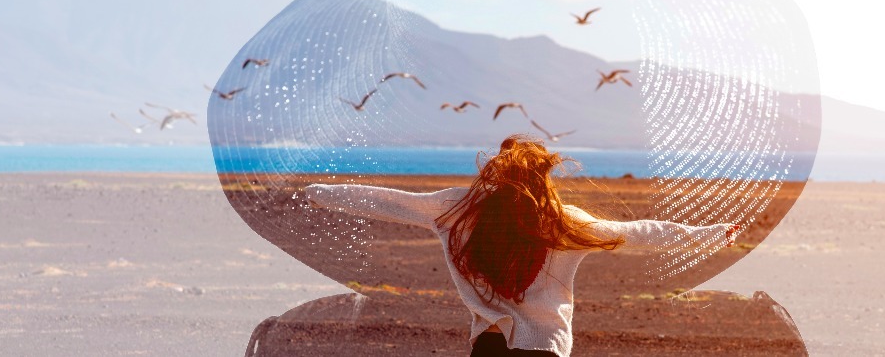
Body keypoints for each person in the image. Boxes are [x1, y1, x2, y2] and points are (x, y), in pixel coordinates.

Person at [304, 134, 737, 357]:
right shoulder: (563, 223)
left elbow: (387, 202)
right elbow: (640, 231)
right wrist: (711, 233)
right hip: (544, 347)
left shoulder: (460, 208)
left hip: (490, 346)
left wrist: (319, 191)